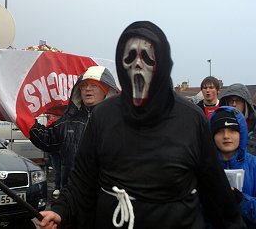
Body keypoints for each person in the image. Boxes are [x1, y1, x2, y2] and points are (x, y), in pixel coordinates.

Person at [36, 21, 245, 229]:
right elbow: (82, 179)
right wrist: (60, 211)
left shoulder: (191, 118)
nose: (137, 64)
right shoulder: (103, 116)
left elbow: (215, 192)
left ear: (163, 63)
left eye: (147, 57)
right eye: (130, 57)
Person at [29, 65, 119, 188]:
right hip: (72, 194)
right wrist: (25, 120)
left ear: (106, 91)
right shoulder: (68, 120)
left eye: (94, 85)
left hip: (106, 195)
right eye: (84, 86)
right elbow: (47, 140)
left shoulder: (118, 121)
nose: (88, 89)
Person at [210, 106, 256, 227]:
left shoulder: (254, 166)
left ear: (241, 133)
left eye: (232, 130)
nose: (226, 136)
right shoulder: (204, 168)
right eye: (219, 131)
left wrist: (241, 200)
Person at [219, 83, 256, 155]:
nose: (234, 104)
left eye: (238, 101)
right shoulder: (220, 123)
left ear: (245, 103)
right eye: (231, 101)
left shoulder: (254, 124)